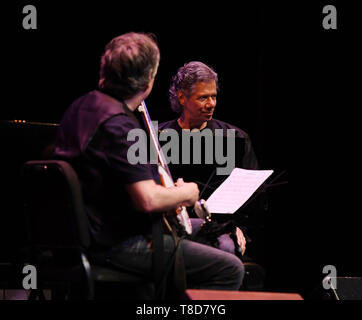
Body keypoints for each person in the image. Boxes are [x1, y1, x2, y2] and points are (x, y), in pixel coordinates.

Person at [52, 33, 244, 299]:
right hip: (115, 243)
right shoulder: (119, 125)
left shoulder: (80, 107)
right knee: (229, 268)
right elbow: (147, 200)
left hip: (80, 234)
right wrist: (186, 193)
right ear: (149, 78)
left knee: (215, 234)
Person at [159, 61, 262, 259]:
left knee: (225, 249)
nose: (211, 104)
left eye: (213, 96)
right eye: (203, 97)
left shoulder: (235, 139)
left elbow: (255, 197)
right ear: (181, 97)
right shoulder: (158, 139)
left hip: (221, 230)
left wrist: (240, 228)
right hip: (172, 229)